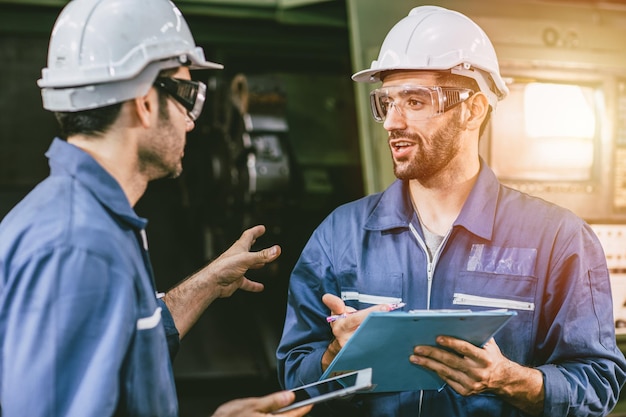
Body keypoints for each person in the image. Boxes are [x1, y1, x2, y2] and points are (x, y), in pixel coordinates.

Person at [276, 5, 626, 417]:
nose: (392, 121)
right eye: (386, 102)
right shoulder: (341, 235)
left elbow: (598, 383)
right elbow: (292, 377)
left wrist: (509, 379)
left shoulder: (557, 238)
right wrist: (331, 357)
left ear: (473, 109)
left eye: (415, 101)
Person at [0, 0, 312, 416]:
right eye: (188, 97)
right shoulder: (78, 245)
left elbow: (129, 349)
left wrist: (207, 283)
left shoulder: (95, 219)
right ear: (146, 103)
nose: (191, 121)